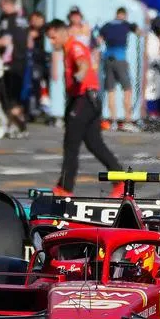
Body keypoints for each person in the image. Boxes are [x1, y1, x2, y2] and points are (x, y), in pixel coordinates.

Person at [44, 19, 124, 196]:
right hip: (88, 99)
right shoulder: (66, 49)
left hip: (84, 99)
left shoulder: (74, 47)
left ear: (63, 32)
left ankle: (65, 188)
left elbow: (83, 63)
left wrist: (80, 73)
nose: (51, 42)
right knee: (95, 143)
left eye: (53, 37)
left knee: (71, 144)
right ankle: (120, 180)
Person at [97, 7, 139, 131]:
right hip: (120, 59)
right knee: (127, 89)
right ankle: (127, 120)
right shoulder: (126, 24)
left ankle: (113, 120)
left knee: (111, 90)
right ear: (124, 15)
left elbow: (99, 40)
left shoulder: (106, 25)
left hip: (108, 59)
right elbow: (139, 32)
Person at [0, 0, 29, 138]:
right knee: (14, 95)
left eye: (3, 5)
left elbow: (5, 41)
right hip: (21, 59)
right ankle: (16, 124)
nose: (2, 8)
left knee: (9, 96)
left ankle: (17, 124)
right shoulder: (22, 17)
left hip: (11, 61)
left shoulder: (10, 19)